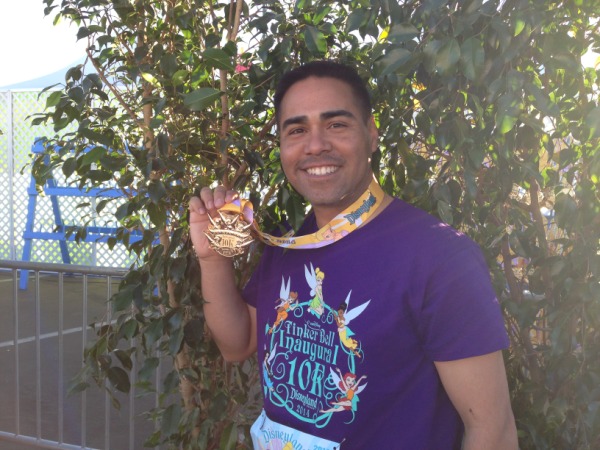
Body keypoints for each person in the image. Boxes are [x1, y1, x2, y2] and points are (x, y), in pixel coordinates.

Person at [189, 60, 518, 449]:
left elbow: (492, 431)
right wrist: (213, 259)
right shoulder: (287, 244)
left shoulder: (440, 258)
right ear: (282, 146)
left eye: (336, 124)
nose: (315, 145)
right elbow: (237, 344)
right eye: (297, 130)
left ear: (372, 133)